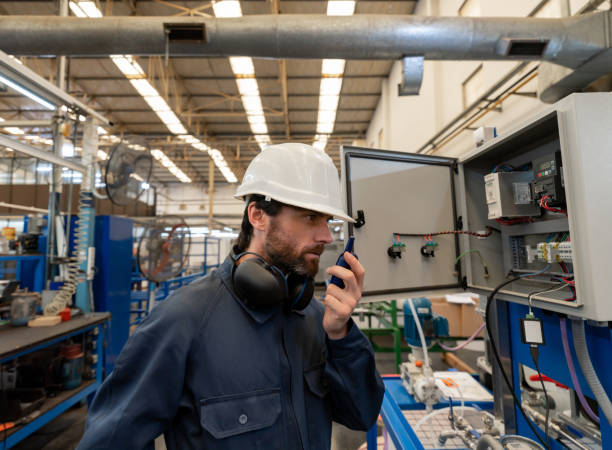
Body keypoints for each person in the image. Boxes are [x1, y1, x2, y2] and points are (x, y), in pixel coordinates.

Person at [77, 143, 384, 450]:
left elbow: (362, 415)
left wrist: (340, 335)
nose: (327, 236)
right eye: (311, 218)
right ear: (258, 215)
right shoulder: (183, 321)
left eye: (327, 221)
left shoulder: (317, 318)